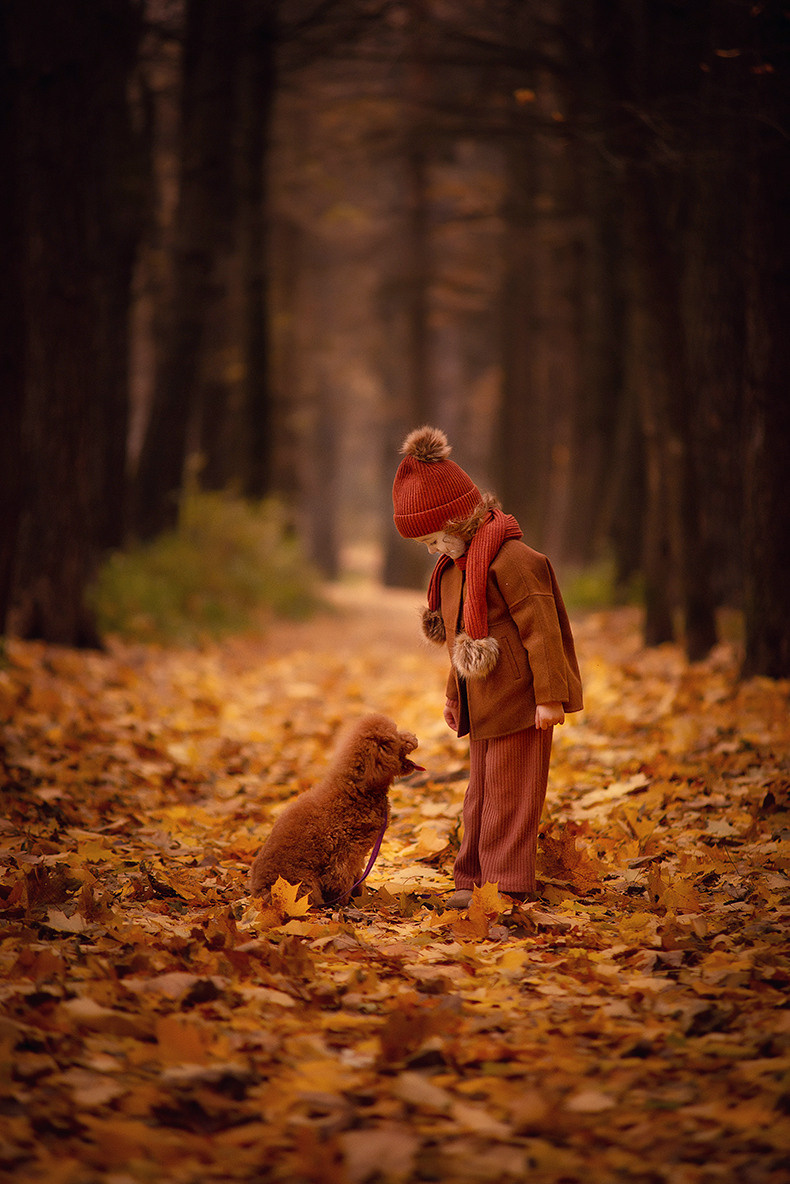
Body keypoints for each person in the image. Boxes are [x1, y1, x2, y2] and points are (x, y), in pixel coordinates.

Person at [392, 425, 583, 907]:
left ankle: (508, 885)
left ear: (458, 520)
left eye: (435, 538)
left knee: (513, 796)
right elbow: (461, 639)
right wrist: (455, 698)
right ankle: (472, 879)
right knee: (480, 795)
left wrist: (550, 697)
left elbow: (545, 630)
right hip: (485, 705)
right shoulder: (457, 569)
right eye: (426, 546)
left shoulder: (513, 560)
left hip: (521, 702)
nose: (433, 551)